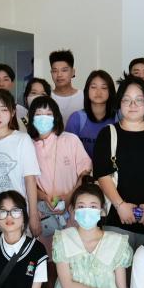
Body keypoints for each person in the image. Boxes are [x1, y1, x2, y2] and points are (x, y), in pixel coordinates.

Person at [93, 75, 144, 250]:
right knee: (117, 266)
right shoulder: (107, 134)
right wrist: (120, 206)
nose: (133, 105)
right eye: (127, 100)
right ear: (119, 102)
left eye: (139, 100)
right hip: (116, 219)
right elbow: (102, 174)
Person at [27, 96, 91, 250]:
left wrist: (69, 197)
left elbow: (85, 173)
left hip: (73, 209)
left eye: (48, 114)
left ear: (56, 117)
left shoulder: (70, 140)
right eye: (38, 114)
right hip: (44, 213)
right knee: (46, 255)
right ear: (31, 118)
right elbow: (27, 182)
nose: (43, 119)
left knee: (73, 254)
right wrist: (44, 196)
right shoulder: (28, 145)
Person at [0, 89, 41, 234]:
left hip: (19, 212)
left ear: (12, 113)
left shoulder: (22, 139)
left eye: (4, 109)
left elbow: (30, 180)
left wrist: (33, 215)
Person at [65, 69, 117, 158]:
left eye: (104, 88)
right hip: (82, 167)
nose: (98, 92)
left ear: (110, 91)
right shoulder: (76, 118)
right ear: (87, 90)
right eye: (93, 87)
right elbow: (67, 152)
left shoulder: (118, 118)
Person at [49, 49, 82, 121]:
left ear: (73, 72)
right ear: (51, 73)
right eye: (55, 71)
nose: (59, 75)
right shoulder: (47, 97)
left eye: (64, 70)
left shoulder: (84, 97)